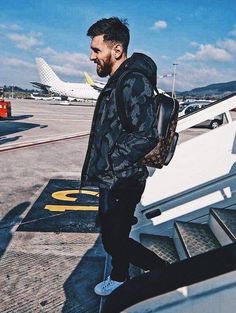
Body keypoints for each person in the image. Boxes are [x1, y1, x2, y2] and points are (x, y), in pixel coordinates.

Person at [80, 17, 167, 296]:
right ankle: (119, 276)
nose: (91, 56)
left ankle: (163, 272)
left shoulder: (133, 82)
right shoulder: (119, 80)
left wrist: (111, 163)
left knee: (113, 241)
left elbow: (146, 134)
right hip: (115, 177)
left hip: (122, 179)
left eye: (96, 50)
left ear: (116, 50)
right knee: (114, 235)